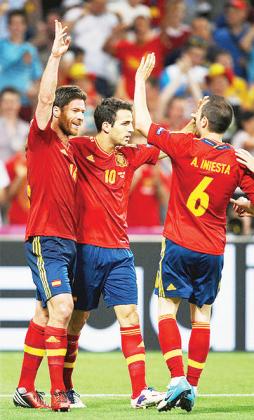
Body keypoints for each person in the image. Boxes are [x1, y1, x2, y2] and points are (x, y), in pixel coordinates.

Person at [134, 53, 254, 412]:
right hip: (213, 249)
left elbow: (142, 123)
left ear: (201, 121)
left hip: (179, 243)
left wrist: (141, 80)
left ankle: (176, 379)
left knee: (165, 308)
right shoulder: (237, 158)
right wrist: (248, 206)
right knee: (202, 315)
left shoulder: (184, 146)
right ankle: (193, 387)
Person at [64, 97, 166, 409]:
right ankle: (65, 387)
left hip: (120, 251)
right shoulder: (79, 148)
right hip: (85, 251)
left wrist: (195, 126)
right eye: (125, 123)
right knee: (77, 320)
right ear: (106, 126)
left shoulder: (130, 156)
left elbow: (167, 147)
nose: (131, 128)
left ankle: (140, 391)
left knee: (129, 315)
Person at [13, 20, 86, 412]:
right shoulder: (41, 137)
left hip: (67, 240)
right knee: (63, 308)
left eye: (84, 111)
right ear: (58, 112)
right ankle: (59, 392)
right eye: (75, 111)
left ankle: (26, 387)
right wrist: (55, 56)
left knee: (45, 310)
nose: (81, 117)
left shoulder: (70, 150)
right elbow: (44, 102)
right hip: (45, 236)